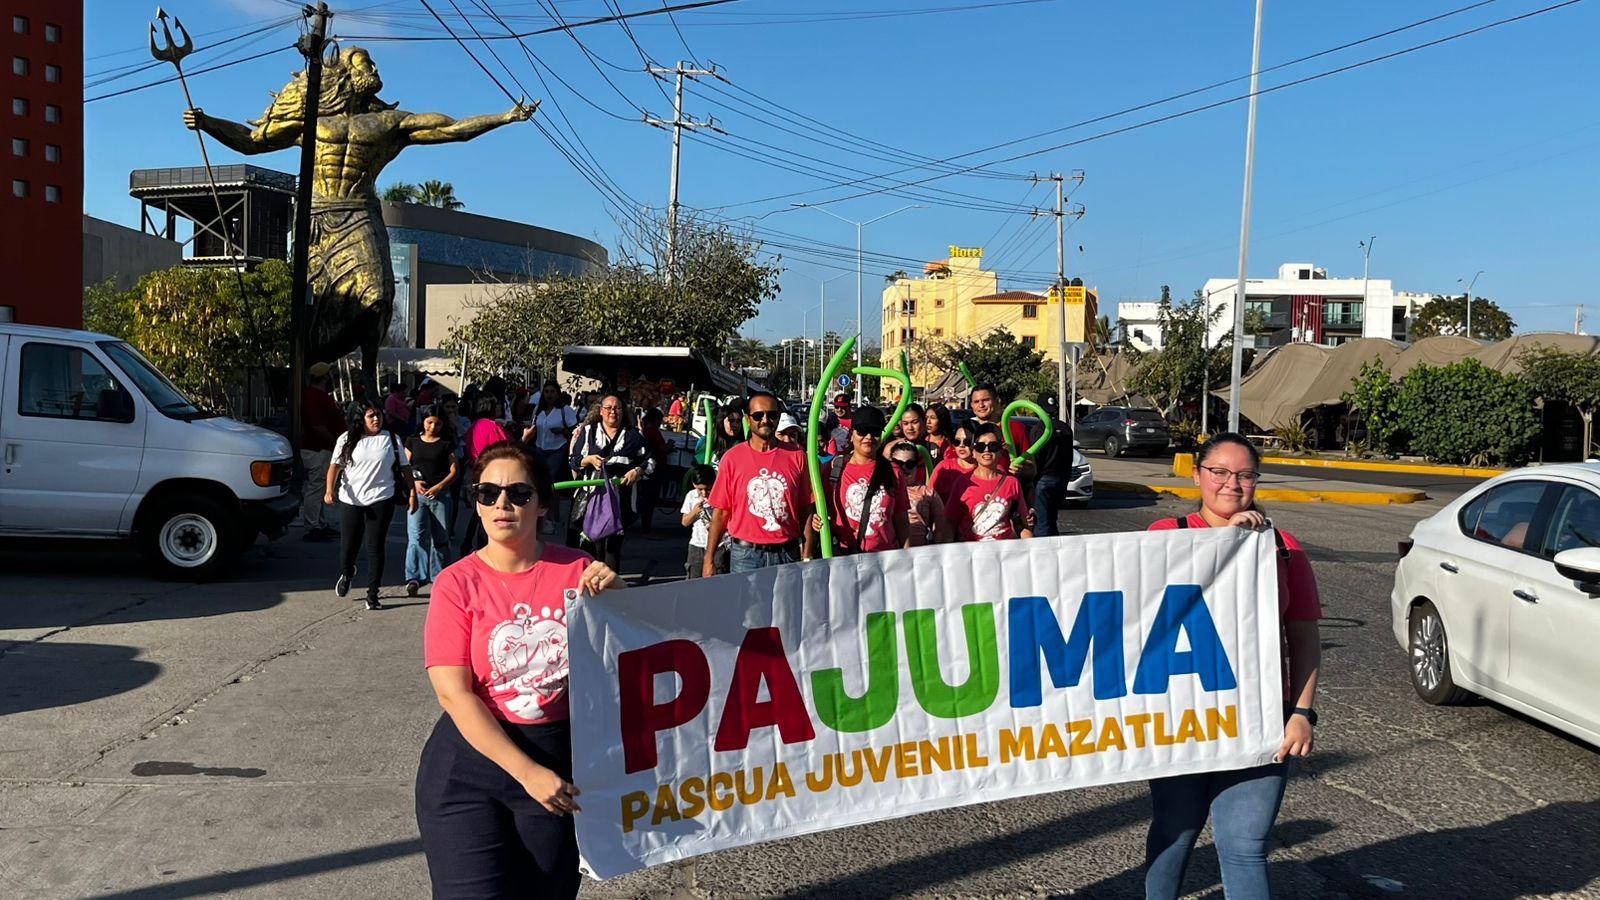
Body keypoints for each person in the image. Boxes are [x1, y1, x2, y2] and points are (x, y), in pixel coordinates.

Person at [416, 441, 619, 899]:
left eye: (519, 493)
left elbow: (635, 651)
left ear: (543, 504)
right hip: (472, 765)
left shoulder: (578, 569)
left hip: (559, 762)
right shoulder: (455, 583)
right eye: (488, 493)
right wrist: (526, 772)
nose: (502, 504)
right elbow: (453, 693)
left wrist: (620, 594)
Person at [1142, 433, 1321, 900]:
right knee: (1175, 831)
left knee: (1245, 847)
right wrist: (1227, 543)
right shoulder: (1165, 535)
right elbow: (1142, 616)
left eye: (1244, 475)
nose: (1231, 484)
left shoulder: (1284, 547)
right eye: (1219, 472)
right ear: (1197, 475)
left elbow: (1303, 638)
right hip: (1182, 718)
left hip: (1261, 720)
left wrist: (1301, 713)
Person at [703, 392, 812, 575]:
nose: (765, 420)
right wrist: (709, 559)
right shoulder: (732, 459)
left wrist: (807, 554)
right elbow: (720, 513)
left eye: (772, 415)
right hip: (746, 556)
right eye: (758, 415)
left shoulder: (797, 456)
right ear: (748, 419)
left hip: (788, 554)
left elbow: (806, 507)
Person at [325, 401, 410, 610]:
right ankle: (347, 572)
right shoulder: (346, 439)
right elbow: (334, 467)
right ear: (360, 419)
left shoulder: (391, 438)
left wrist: (413, 493)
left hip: (382, 498)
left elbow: (405, 467)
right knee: (348, 548)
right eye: (371, 416)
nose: (376, 419)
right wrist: (329, 490)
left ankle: (373, 595)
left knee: (375, 547)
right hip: (351, 499)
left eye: (378, 415)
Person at [566, 392, 653, 572]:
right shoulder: (588, 432)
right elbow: (573, 460)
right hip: (591, 497)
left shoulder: (633, 436)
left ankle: (610, 584)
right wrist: (588, 460)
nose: (613, 412)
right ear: (601, 411)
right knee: (589, 545)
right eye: (609, 408)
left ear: (623, 412)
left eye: (617, 408)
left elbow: (650, 461)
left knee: (612, 547)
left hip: (620, 499)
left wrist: (637, 471)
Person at [810, 405, 909, 556]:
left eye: (875, 432)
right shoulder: (834, 468)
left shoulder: (893, 471)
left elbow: (901, 520)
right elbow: (817, 508)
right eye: (862, 431)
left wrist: (908, 558)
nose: (869, 437)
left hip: (885, 558)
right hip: (845, 557)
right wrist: (816, 520)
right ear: (851, 434)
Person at [945, 423, 1032, 542]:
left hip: (1004, 550)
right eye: (980, 446)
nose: (986, 450)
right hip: (971, 550)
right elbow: (949, 523)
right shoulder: (963, 483)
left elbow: (1023, 525)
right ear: (973, 452)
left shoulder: (1012, 483)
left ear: (1000, 451)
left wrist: (1031, 547)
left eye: (993, 446)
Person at [404, 411, 459, 595]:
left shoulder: (446, 444)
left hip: (440, 496)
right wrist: (414, 482)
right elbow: (404, 466)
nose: (432, 427)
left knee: (441, 539)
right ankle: (414, 578)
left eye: (437, 424)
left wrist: (439, 487)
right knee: (416, 537)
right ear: (423, 421)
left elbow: (454, 471)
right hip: (418, 496)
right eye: (429, 422)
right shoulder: (412, 441)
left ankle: (440, 577)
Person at [300, 362, 346, 542]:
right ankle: (312, 526)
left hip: (322, 448)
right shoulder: (314, 396)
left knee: (319, 489)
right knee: (316, 488)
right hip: (318, 448)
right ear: (325, 377)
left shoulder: (317, 396)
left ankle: (318, 523)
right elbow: (317, 426)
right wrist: (335, 442)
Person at [460, 396, 511, 556]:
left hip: (477, 472)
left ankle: (468, 544)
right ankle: (484, 548)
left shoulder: (473, 426)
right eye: (497, 405)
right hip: (493, 474)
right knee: (488, 515)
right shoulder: (492, 426)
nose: (500, 408)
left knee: (480, 512)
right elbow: (508, 451)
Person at [524, 389, 578, 535]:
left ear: (557, 394)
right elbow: (533, 425)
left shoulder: (564, 410)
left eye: (552, 392)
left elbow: (575, 430)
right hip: (540, 448)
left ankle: (550, 519)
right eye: (546, 392)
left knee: (549, 481)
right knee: (541, 482)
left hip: (558, 448)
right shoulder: (538, 409)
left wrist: (562, 431)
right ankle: (545, 516)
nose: (549, 395)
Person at [891, 440, 947, 546]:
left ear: (916, 465)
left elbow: (940, 528)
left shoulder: (928, 493)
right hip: (890, 550)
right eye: (899, 463)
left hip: (919, 551)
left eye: (910, 464)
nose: (904, 468)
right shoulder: (884, 491)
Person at [1028, 412, 1075, 538]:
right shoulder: (1065, 428)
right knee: (1052, 520)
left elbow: (1035, 457)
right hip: (1060, 478)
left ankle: (1043, 548)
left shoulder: (1038, 428)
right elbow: (1069, 456)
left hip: (1043, 479)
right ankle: (1054, 546)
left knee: (1042, 523)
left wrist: (1032, 480)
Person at [680, 463, 718, 579]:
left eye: (708, 489)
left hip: (718, 545)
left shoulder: (719, 496)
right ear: (694, 485)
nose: (704, 493)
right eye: (700, 489)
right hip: (697, 544)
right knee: (694, 577)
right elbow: (685, 522)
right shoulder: (691, 496)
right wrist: (694, 512)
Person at [929, 421, 981, 507]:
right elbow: (930, 497)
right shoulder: (945, 467)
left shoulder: (986, 468)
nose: (961, 445)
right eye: (957, 441)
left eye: (967, 441)